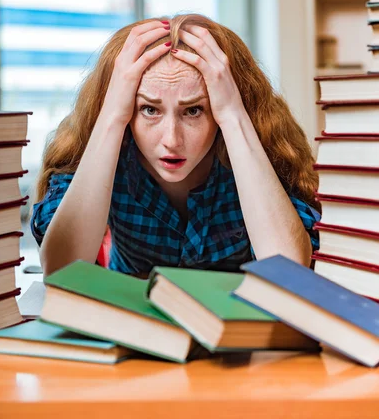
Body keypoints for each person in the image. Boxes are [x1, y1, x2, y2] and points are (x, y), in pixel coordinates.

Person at [31, 14, 320, 278]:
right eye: (150, 110)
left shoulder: (253, 142)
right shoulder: (110, 139)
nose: (171, 139)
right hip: (128, 324)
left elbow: (290, 270)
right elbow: (60, 270)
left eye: (193, 110)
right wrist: (111, 116)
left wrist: (234, 115)